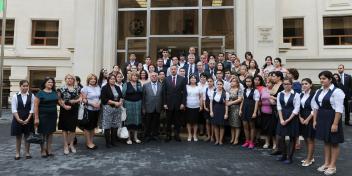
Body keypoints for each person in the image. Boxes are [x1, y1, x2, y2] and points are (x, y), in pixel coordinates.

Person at [312, 71, 345, 175]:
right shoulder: (319, 91)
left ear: (330, 79)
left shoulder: (337, 91)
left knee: (334, 142)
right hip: (322, 118)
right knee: (326, 141)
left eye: (324, 78)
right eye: (320, 78)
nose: (322, 80)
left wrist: (335, 124)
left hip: (332, 118)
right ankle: (326, 163)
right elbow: (315, 107)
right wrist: (314, 120)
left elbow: (339, 109)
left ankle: (333, 166)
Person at [276, 78, 300, 164]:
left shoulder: (296, 95)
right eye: (285, 84)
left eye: (288, 84)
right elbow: (279, 107)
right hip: (282, 116)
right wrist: (282, 119)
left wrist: (288, 120)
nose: (286, 85)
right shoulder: (280, 94)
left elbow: (296, 108)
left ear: (291, 85)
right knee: (281, 137)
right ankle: (283, 155)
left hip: (292, 117)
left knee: (292, 137)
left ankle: (290, 157)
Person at [34, 77, 59, 158]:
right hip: (43, 116)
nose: (50, 84)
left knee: (50, 133)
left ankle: (49, 149)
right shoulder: (40, 93)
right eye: (49, 82)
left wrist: (66, 106)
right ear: (45, 83)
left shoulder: (54, 92)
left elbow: (59, 102)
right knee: (43, 134)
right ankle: (43, 150)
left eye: (52, 82)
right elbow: (36, 106)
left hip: (53, 116)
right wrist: (36, 118)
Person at [57, 74, 81, 155]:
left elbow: (81, 98)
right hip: (65, 109)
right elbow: (59, 99)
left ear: (74, 80)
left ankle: (71, 145)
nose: (70, 80)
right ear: (65, 79)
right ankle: (65, 145)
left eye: (71, 78)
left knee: (72, 128)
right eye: (68, 78)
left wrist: (75, 101)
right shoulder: (61, 88)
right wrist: (64, 106)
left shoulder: (77, 88)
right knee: (65, 128)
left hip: (74, 109)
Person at [11, 80, 35, 160]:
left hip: (28, 118)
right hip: (18, 118)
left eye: (26, 86)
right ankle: (17, 153)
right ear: (20, 86)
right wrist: (18, 119)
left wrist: (28, 119)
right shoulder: (15, 96)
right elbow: (14, 109)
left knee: (27, 136)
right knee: (18, 137)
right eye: (23, 86)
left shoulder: (32, 95)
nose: (25, 87)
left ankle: (27, 153)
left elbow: (32, 109)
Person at [163, 65, 187, 142]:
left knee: (177, 121)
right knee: (168, 121)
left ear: (177, 70)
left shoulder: (182, 79)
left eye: (174, 69)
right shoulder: (166, 79)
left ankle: (177, 135)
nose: (173, 70)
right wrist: (164, 103)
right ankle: (168, 135)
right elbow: (164, 93)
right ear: (170, 70)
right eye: (172, 69)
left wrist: (183, 103)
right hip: (168, 104)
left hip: (178, 104)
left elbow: (184, 93)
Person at [101, 74, 123, 148]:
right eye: (111, 79)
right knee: (107, 126)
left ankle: (113, 142)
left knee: (115, 125)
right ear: (108, 80)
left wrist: (120, 102)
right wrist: (114, 103)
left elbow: (121, 96)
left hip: (117, 108)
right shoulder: (104, 88)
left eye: (114, 79)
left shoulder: (117, 87)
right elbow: (104, 99)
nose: (113, 80)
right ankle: (108, 143)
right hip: (108, 108)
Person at [81, 74, 101, 150]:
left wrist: (99, 103)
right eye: (91, 79)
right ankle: (88, 142)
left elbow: (100, 97)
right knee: (87, 127)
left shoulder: (98, 87)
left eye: (94, 79)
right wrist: (92, 103)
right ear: (88, 80)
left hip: (97, 110)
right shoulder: (85, 88)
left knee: (93, 127)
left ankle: (91, 141)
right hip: (89, 109)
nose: (93, 80)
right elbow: (84, 99)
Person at [123, 71, 143, 144]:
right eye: (133, 76)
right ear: (130, 77)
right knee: (129, 121)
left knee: (137, 121)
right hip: (128, 104)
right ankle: (128, 138)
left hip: (138, 104)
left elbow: (141, 93)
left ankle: (135, 137)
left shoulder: (139, 84)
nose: (135, 77)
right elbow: (123, 94)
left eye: (136, 76)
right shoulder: (126, 84)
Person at [299, 78, 316, 167]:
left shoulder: (313, 94)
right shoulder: (301, 95)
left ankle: (309, 159)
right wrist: (300, 117)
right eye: (302, 84)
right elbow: (299, 107)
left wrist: (307, 119)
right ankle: (310, 157)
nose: (304, 85)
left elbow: (315, 109)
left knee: (310, 139)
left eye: (306, 84)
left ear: (310, 85)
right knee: (305, 138)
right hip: (303, 118)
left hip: (311, 118)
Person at [239, 76, 260, 149]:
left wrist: (254, 112)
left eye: (249, 81)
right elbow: (243, 100)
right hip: (244, 108)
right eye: (247, 81)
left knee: (252, 126)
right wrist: (240, 109)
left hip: (251, 109)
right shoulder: (244, 90)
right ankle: (247, 141)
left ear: (252, 82)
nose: (248, 83)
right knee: (245, 126)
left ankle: (252, 142)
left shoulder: (255, 91)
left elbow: (257, 102)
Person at [142, 72, 163, 142]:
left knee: (156, 122)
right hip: (148, 107)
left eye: (155, 76)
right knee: (148, 123)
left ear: (157, 77)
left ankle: (155, 135)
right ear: (150, 77)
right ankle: (147, 136)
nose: (154, 77)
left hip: (158, 107)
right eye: (152, 76)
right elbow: (143, 98)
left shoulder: (161, 85)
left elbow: (162, 97)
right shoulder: (145, 86)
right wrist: (143, 108)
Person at [210, 80, 229, 145]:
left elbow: (226, 104)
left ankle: (220, 140)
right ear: (216, 85)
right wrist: (211, 111)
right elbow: (211, 103)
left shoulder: (226, 93)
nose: (219, 85)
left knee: (222, 126)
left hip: (222, 110)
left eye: (221, 84)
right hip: (215, 110)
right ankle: (217, 140)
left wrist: (226, 113)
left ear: (223, 85)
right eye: (218, 84)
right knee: (215, 125)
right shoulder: (213, 92)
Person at [185, 74, 203, 142]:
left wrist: (201, 105)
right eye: (191, 78)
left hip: (196, 106)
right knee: (188, 122)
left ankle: (195, 134)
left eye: (194, 78)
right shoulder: (186, 87)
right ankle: (189, 134)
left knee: (195, 122)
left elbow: (201, 97)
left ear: (196, 79)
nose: (193, 79)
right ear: (189, 79)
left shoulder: (199, 87)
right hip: (188, 106)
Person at [260, 80, 276, 149]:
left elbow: (273, 103)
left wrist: (269, 96)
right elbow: (260, 99)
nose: (267, 84)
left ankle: (275, 143)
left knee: (272, 128)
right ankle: (267, 142)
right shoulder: (263, 89)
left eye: (269, 83)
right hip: (263, 111)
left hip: (271, 112)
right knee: (265, 128)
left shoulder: (274, 90)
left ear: (272, 84)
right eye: (266, 83)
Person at [228, 77, 243, 145]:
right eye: (231, 81)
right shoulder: (229, 89)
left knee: (236, 124)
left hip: (236, 108)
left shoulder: (239, 90)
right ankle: (232, 138)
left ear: (237, 83)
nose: (232, 83)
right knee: (231, 124)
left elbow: (240, 99)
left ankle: (236, 139)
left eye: (234, 81)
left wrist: (231, 103)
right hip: (230, 109)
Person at [203, 77, 216, 142]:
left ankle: (212, 136)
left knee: (213, 122)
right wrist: (205, 107)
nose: (209, 82)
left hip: (214, 107)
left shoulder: (215, 89)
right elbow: (204, 99)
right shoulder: (206, 89)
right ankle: (208, 135)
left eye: (211, 81)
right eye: (208, 81)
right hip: (207, 107)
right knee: (207, 122)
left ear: (213, 82)